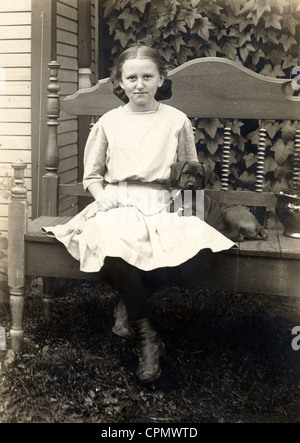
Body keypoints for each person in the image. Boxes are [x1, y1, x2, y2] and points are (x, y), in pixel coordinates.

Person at [43, 45, 234, 383]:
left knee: (200, 250)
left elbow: (189, 169)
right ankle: (148, 337)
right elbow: (92, 176)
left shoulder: (176, 120)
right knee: (113, 245)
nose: (140, 84)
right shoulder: (109, 122)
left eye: (148, 76)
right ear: (119, 81)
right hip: (117, 200)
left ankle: (130, 301)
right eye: (131, 77)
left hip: (164, 199)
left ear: (161, 79)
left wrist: (184, 210)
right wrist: (102, 199)